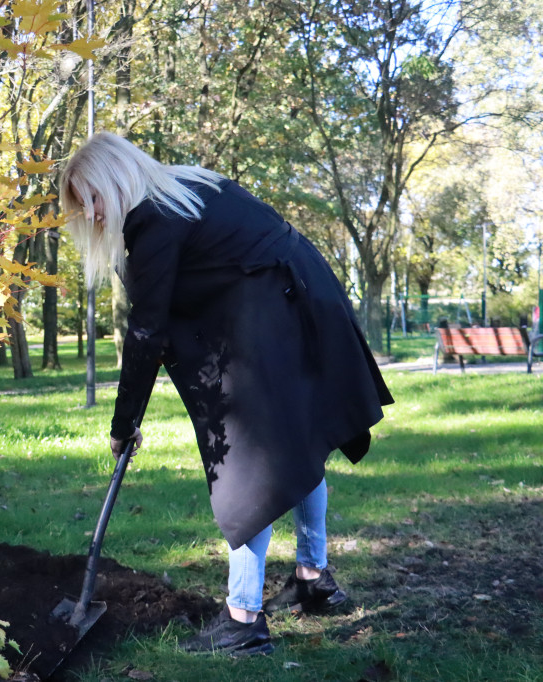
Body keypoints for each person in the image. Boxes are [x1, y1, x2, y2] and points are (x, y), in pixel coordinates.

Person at [60, 133, 394, 656]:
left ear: (112, 179)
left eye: (92, 199)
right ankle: (314, 577)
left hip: (275, 320)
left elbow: (146, 331)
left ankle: (243, 617)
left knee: (246, 471)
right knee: (299, 446)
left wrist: (122, 424)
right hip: (302, 304)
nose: (93, 215)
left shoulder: (154, 218)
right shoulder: (192, 185)